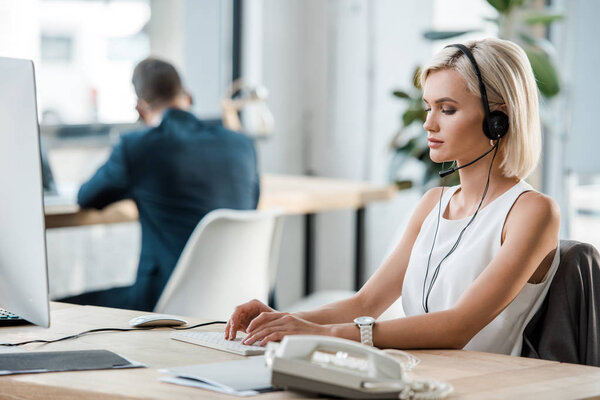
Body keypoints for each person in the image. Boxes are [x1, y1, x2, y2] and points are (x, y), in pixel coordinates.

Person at [225, 38, 560, 356]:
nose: (429, 124)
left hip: (481, 388)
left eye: (447, 109)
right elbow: (365, 304)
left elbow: (458, 328)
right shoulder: (433, 204)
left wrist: (326, 335)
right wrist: (279, 321)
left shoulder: (532, 211)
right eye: (428, 107)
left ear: (498, 119)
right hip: (415, 377)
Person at [61, 58, 260, 311]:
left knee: (59, 308)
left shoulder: (136, 147)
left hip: (165, 302)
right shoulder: (242, 144)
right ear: (188, 96)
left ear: (140, 109)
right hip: (240, 302)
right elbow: (252, 203)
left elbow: (86, 197)